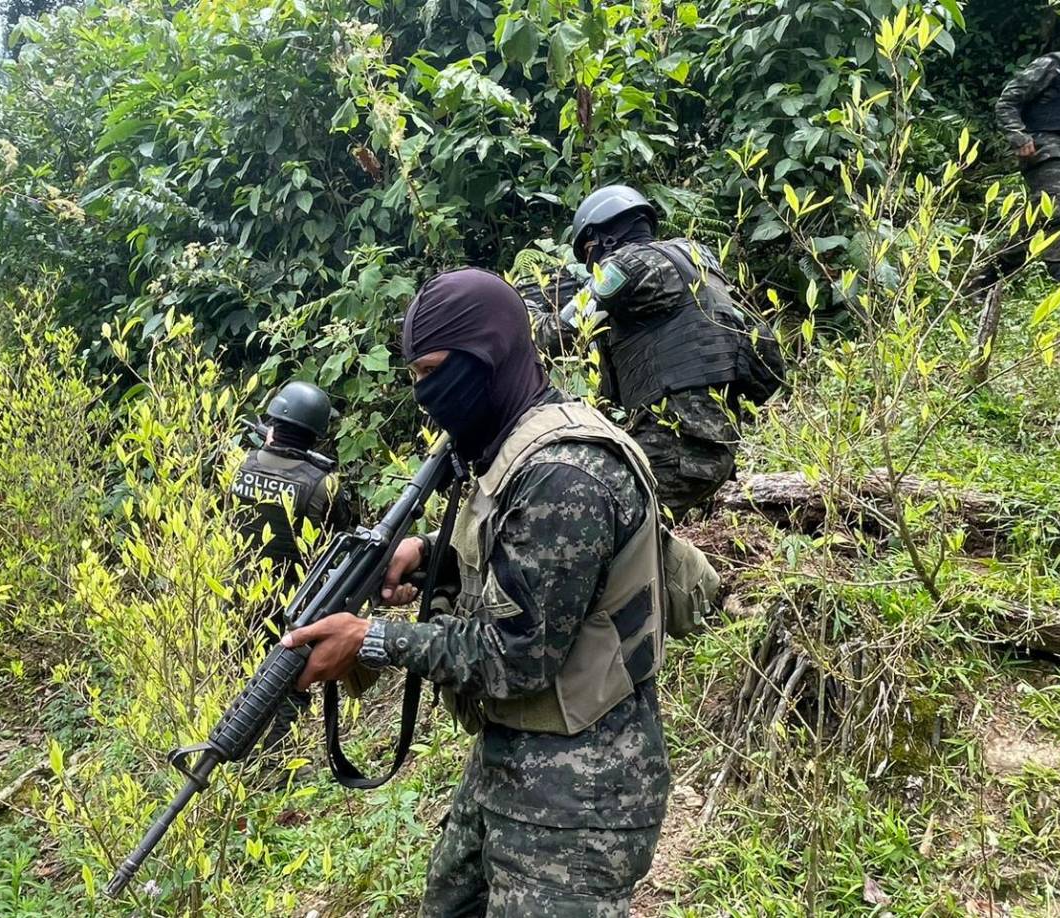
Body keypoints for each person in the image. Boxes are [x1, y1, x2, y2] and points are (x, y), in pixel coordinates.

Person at [281, 268, 670, 916]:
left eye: (435, 370)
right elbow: (519, 551)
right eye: (415, 376)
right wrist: (430, 554)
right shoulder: (509, 444)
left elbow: (514, 656)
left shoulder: (564, 472)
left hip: (582, 795)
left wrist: (370, 639)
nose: (426, 393)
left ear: (487, 353)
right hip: (509, 760)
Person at [531, 185, 783, 520]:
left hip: (675, 452)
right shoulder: (695, 256)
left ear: (601, 238)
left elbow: (554, 336)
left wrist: (523, 313)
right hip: (715, 445)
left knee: (575, 517)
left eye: (588, 250)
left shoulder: (624, 266)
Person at [228, 380, 352, 747]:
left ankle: (241, 758)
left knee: (245, 679)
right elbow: (339, 542)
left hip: (240, 594)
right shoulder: (322, 485)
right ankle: (274, 766)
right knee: (287, 685)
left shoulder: (242, 468)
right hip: (293, 603)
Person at [995, 10, 1060, 281]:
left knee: (1038, 220)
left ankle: (990, 276)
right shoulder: (1052, 65)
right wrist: (1019, 136)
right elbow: (1007, 101)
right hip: (1047, 151)